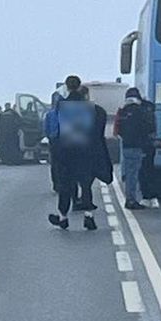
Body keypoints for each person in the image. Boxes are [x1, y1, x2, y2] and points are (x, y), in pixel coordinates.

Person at [46, 75, 101, 231]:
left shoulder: (61, 107)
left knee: (65, 185)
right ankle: (88, 216)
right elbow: (93, 131)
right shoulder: (89, 107)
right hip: (84, 151)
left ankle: (63, 217)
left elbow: (55, 131)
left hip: (66, 150)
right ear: (79, 86)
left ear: (66, 87)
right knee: (85, 185)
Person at [116, 88, 153, 210]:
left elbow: (118, 130)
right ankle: (131, 200)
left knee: (129, 173)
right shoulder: (140, 111)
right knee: (134, 174)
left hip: (126, 145)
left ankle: (130, 198)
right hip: (138, 146)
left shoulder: (122, 111)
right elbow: (147, 128)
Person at [137, 98, 159, 208]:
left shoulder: (140, 112)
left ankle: (146, 196)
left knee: (142, 171)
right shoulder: (151, 113)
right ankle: (153, 198)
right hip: (150, 145)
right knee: (150, 170)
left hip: (141, 145)